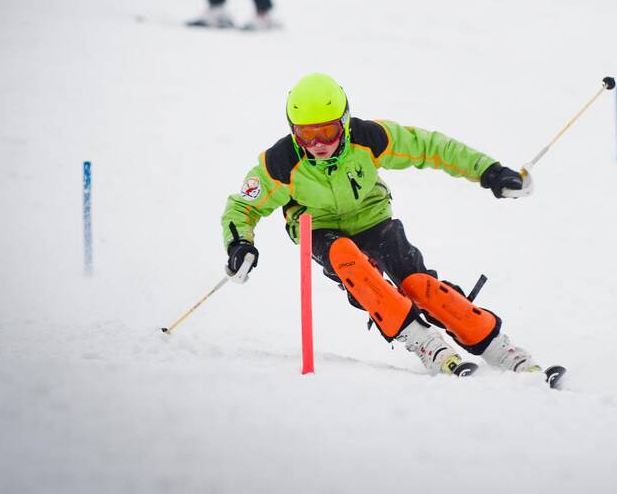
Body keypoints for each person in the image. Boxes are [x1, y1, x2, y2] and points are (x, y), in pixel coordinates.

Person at [220, 72, 556, 382]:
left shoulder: (369, 138)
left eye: (327, 131)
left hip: (373, 218)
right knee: (347, 259)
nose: (317, 143)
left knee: (419, 284)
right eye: (306, 133)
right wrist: (239, 245)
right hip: (319, 229)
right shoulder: (280, 162)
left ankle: (497, 347)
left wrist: (490, 172)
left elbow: (431, 147)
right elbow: (243, 206)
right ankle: (420, 339)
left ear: (345, 122)